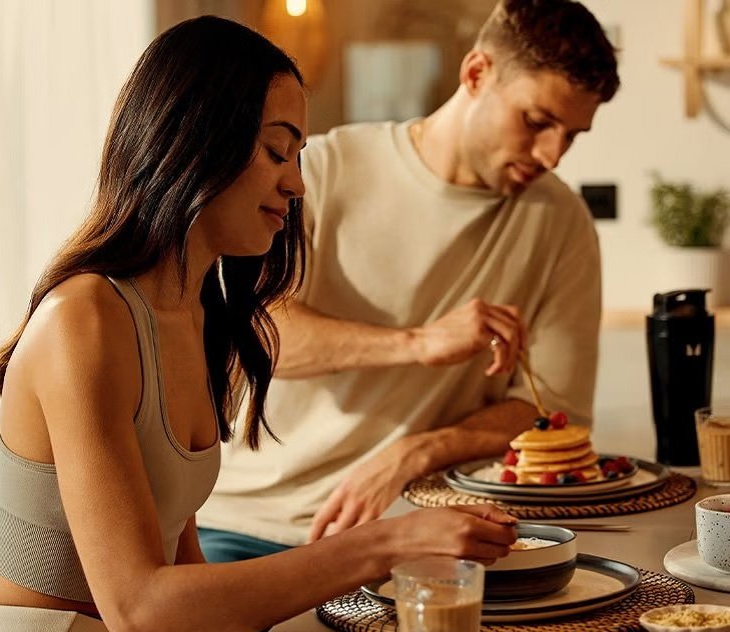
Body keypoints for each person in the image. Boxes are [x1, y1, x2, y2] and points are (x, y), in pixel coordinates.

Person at [0, 17, 517, 632]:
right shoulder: (82, 321)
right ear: (193, 141)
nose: (296, 185)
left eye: (298, 157)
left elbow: (178, 555)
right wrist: (385, 546)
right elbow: (143, 616)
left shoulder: (196, 317)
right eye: (276, 152)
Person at [197, 0, 620, 560]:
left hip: (412, 532)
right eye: (537, 121)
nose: (553, 154)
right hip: (249, 523)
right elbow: (257, 329)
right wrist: (419, 344)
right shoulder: (321, 171)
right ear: (476, 74)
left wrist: (417, 452)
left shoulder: (561, 222)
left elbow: (548, 411)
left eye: (571, 135)